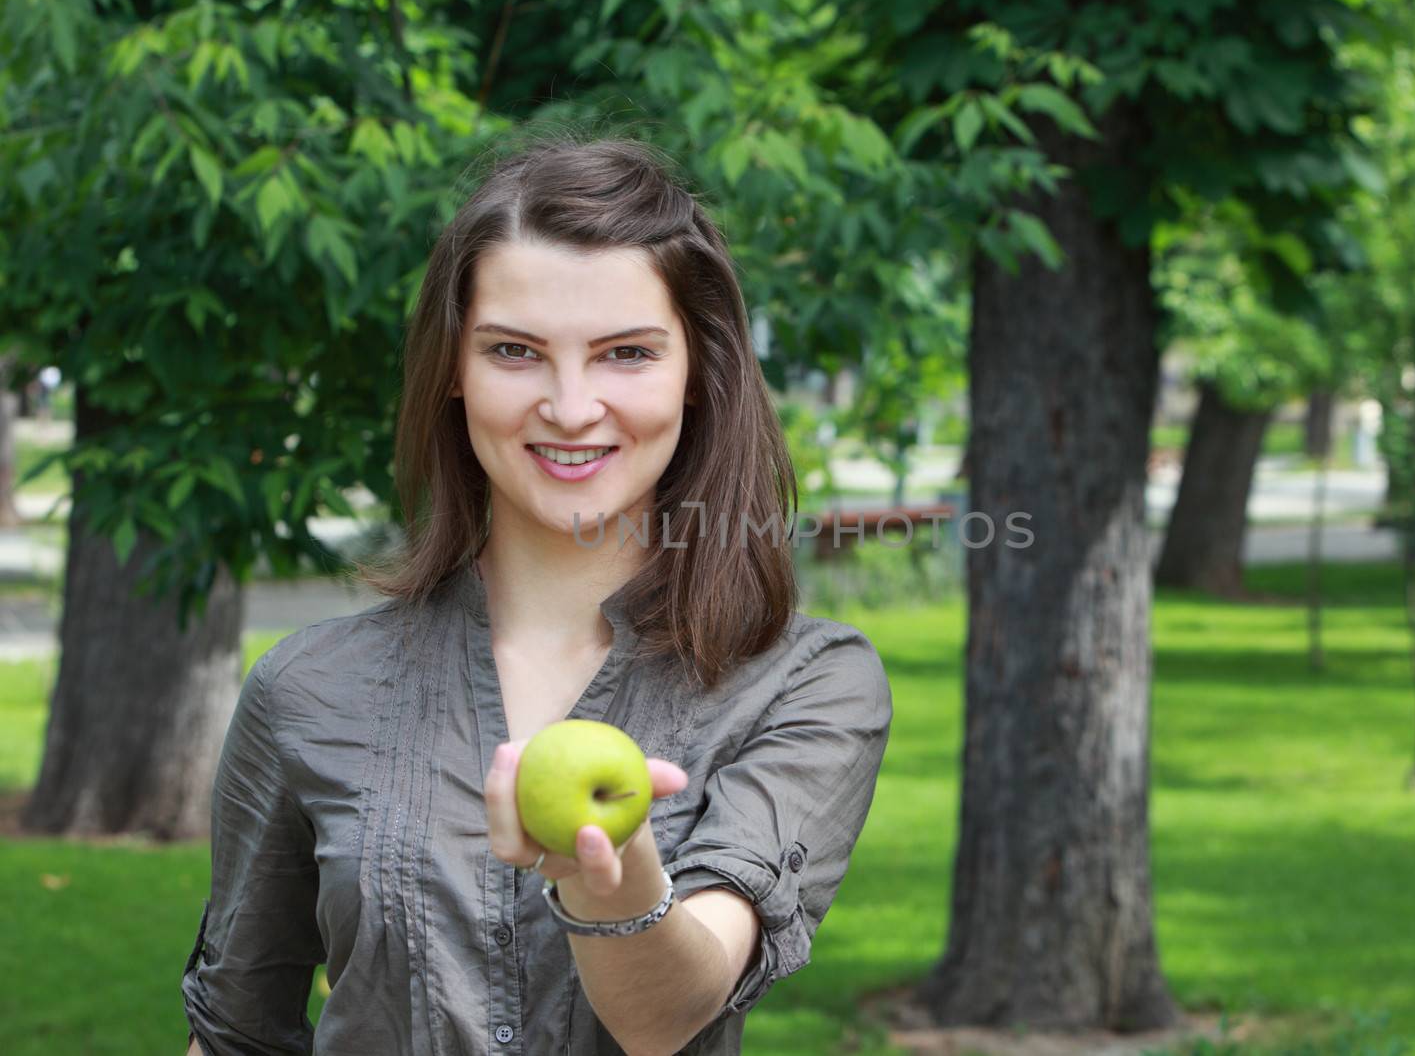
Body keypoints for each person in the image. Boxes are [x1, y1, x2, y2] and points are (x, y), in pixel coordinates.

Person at [179, 135, 894, 1055]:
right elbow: (235, 1036)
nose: (568, 405)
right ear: (453, 372)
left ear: (698, 374)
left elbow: (668, 1013)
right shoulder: (309, 689)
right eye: (514, 350)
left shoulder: (803, 682)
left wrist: (616, 879)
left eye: (625, 353)